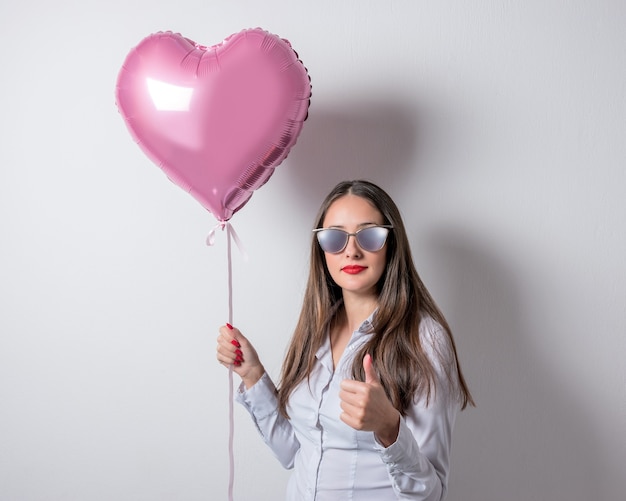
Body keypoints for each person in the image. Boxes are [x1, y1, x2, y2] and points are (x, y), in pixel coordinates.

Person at [216, 179, 474, 500]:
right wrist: (253, 374)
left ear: (391, 243)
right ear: (321, 248)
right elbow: (295, 452)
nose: (351, 250)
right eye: (335, 237)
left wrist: (389, 428)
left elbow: (431, 492)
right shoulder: (318, 327)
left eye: (369, 235)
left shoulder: (424, 339)